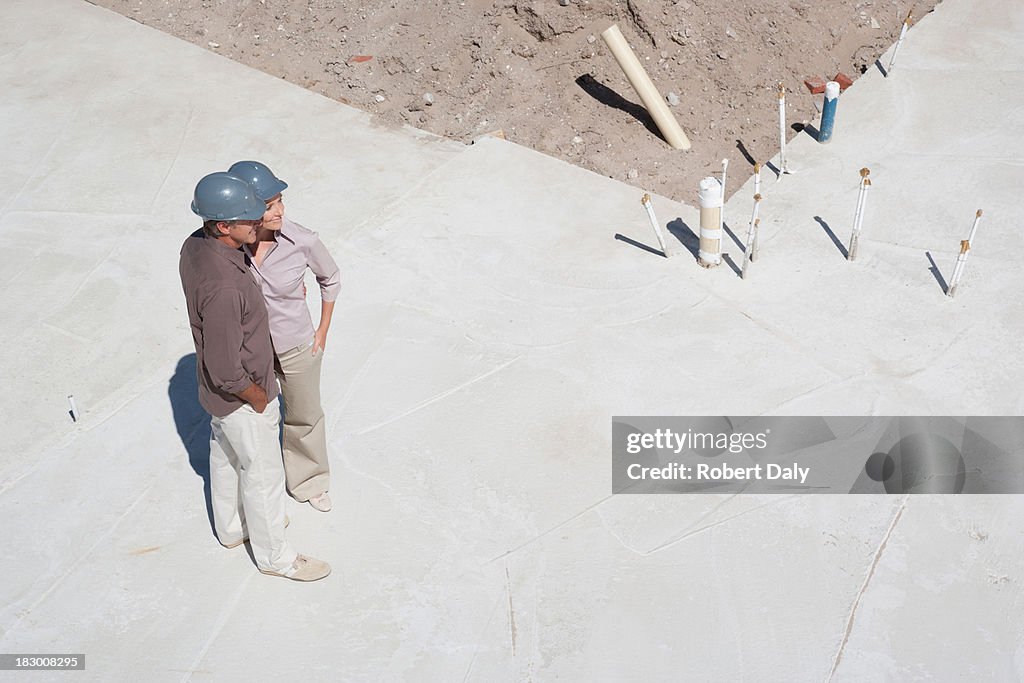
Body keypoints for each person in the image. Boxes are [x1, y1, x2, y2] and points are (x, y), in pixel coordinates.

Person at [178, 171, 330, 581]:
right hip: (244, 395)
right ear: (223, 226)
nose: (258, 223)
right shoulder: (226, 287)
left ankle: (231, 530)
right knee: (263, 476)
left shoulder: (195, 246)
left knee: (225, 458)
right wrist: (258, 395)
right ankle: (276, 558)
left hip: (215, 399)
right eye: (249, 219)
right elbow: (227, 368)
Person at [227, 160, 339, 513]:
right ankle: (253, 485)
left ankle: (310, 481)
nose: (279, 211)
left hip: (294, 344)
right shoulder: (231, 243)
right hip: (251, 347)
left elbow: (331, 279)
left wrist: (321, 330)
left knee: (304, 415)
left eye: (280, 202)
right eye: (269, 205)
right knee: (251, 418)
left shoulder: (302, 241)